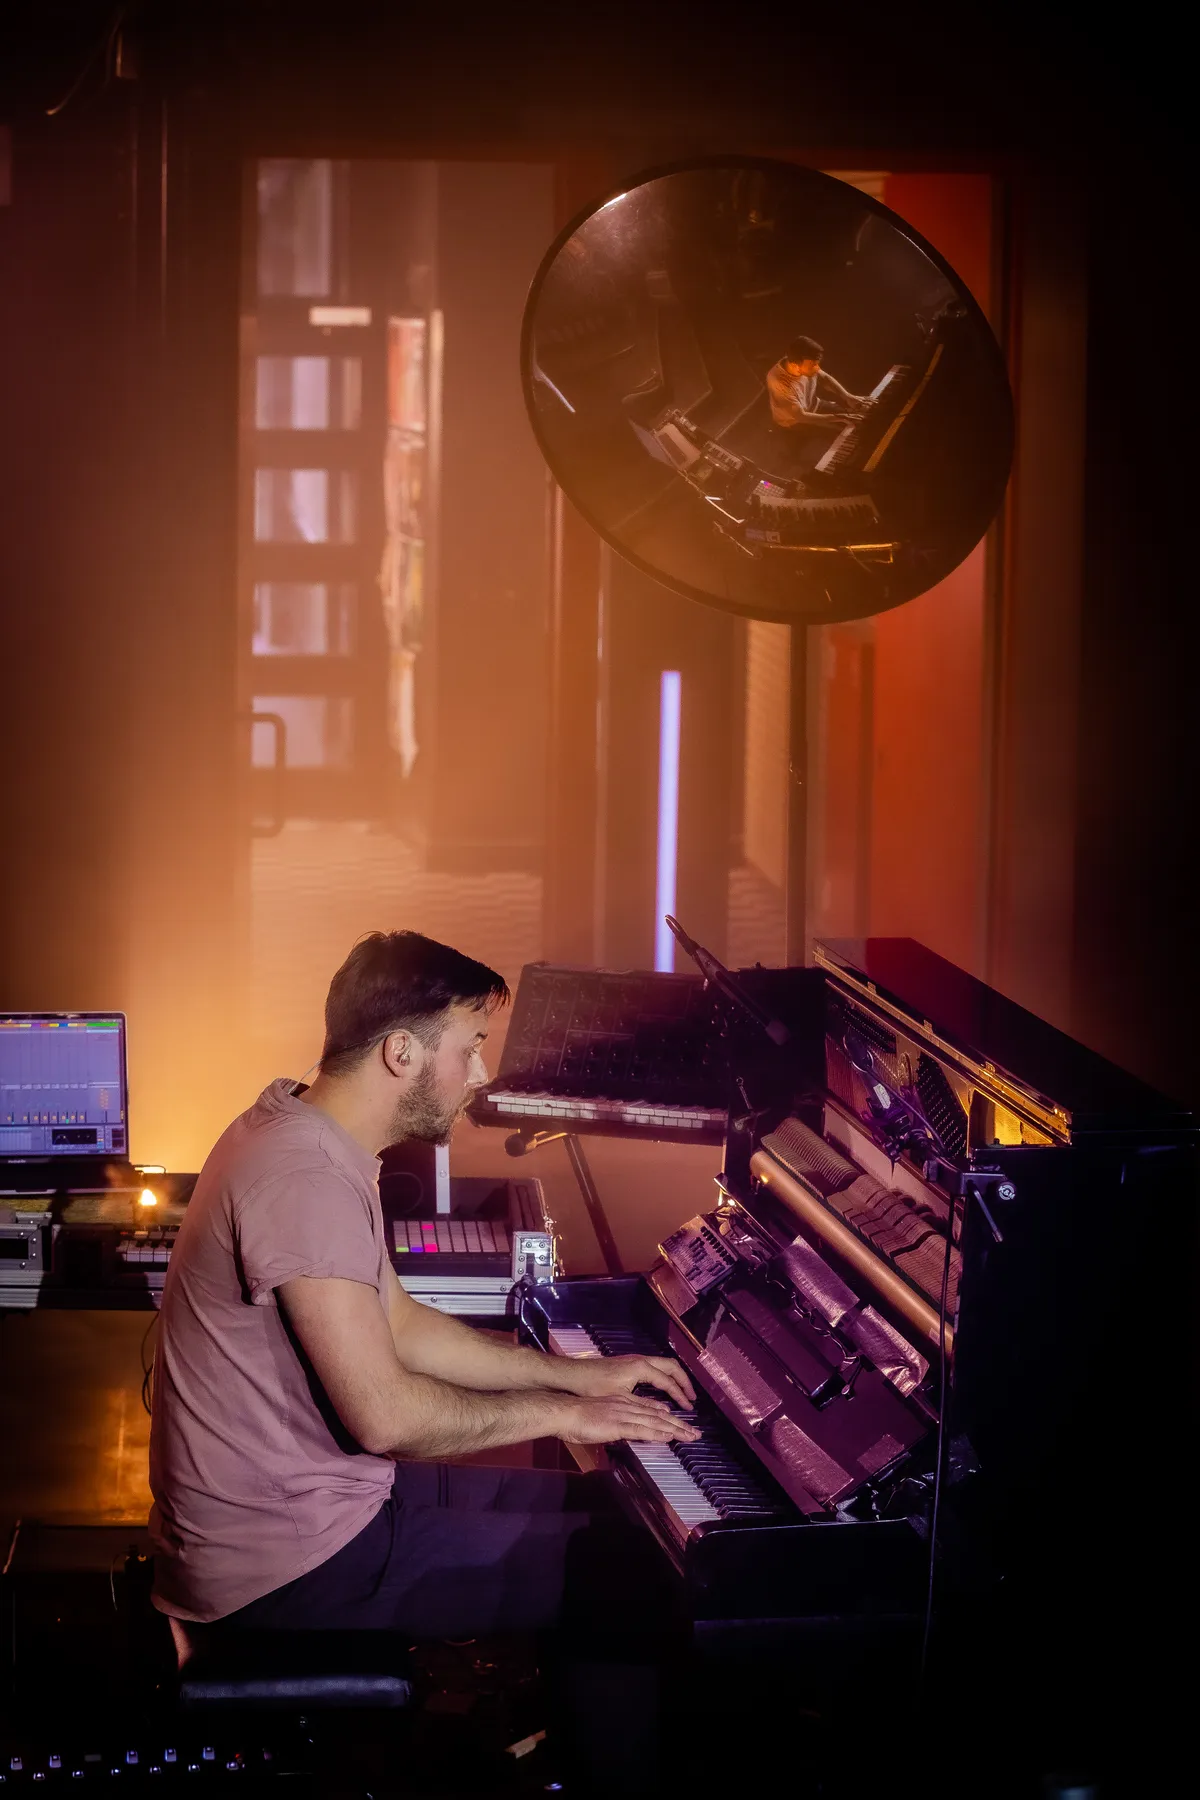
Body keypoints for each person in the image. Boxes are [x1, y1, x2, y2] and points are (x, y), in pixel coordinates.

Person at [149, 930, 698, 1789]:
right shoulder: (303, 1178)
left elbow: (400, 1326)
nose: (481, 1073)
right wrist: (568, 1415)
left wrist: (574, 1374)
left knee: (617, 1515)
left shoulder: (304, 1133)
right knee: (628, 1578)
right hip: (283, 1565)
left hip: (313, 1508)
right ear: (401, 1052)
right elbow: (387, 1419)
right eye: (470, 1047)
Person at [765, 333, 867, 433]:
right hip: (795, 422)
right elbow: (801, 416)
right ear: (795, 366)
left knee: (857, 419)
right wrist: (840, 418)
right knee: (843, 433)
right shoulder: (779, 384)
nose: (817, 368)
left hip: (814, 405)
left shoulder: (798, 360)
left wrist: (847, 396)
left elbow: (824, 378)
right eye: (813, 365)